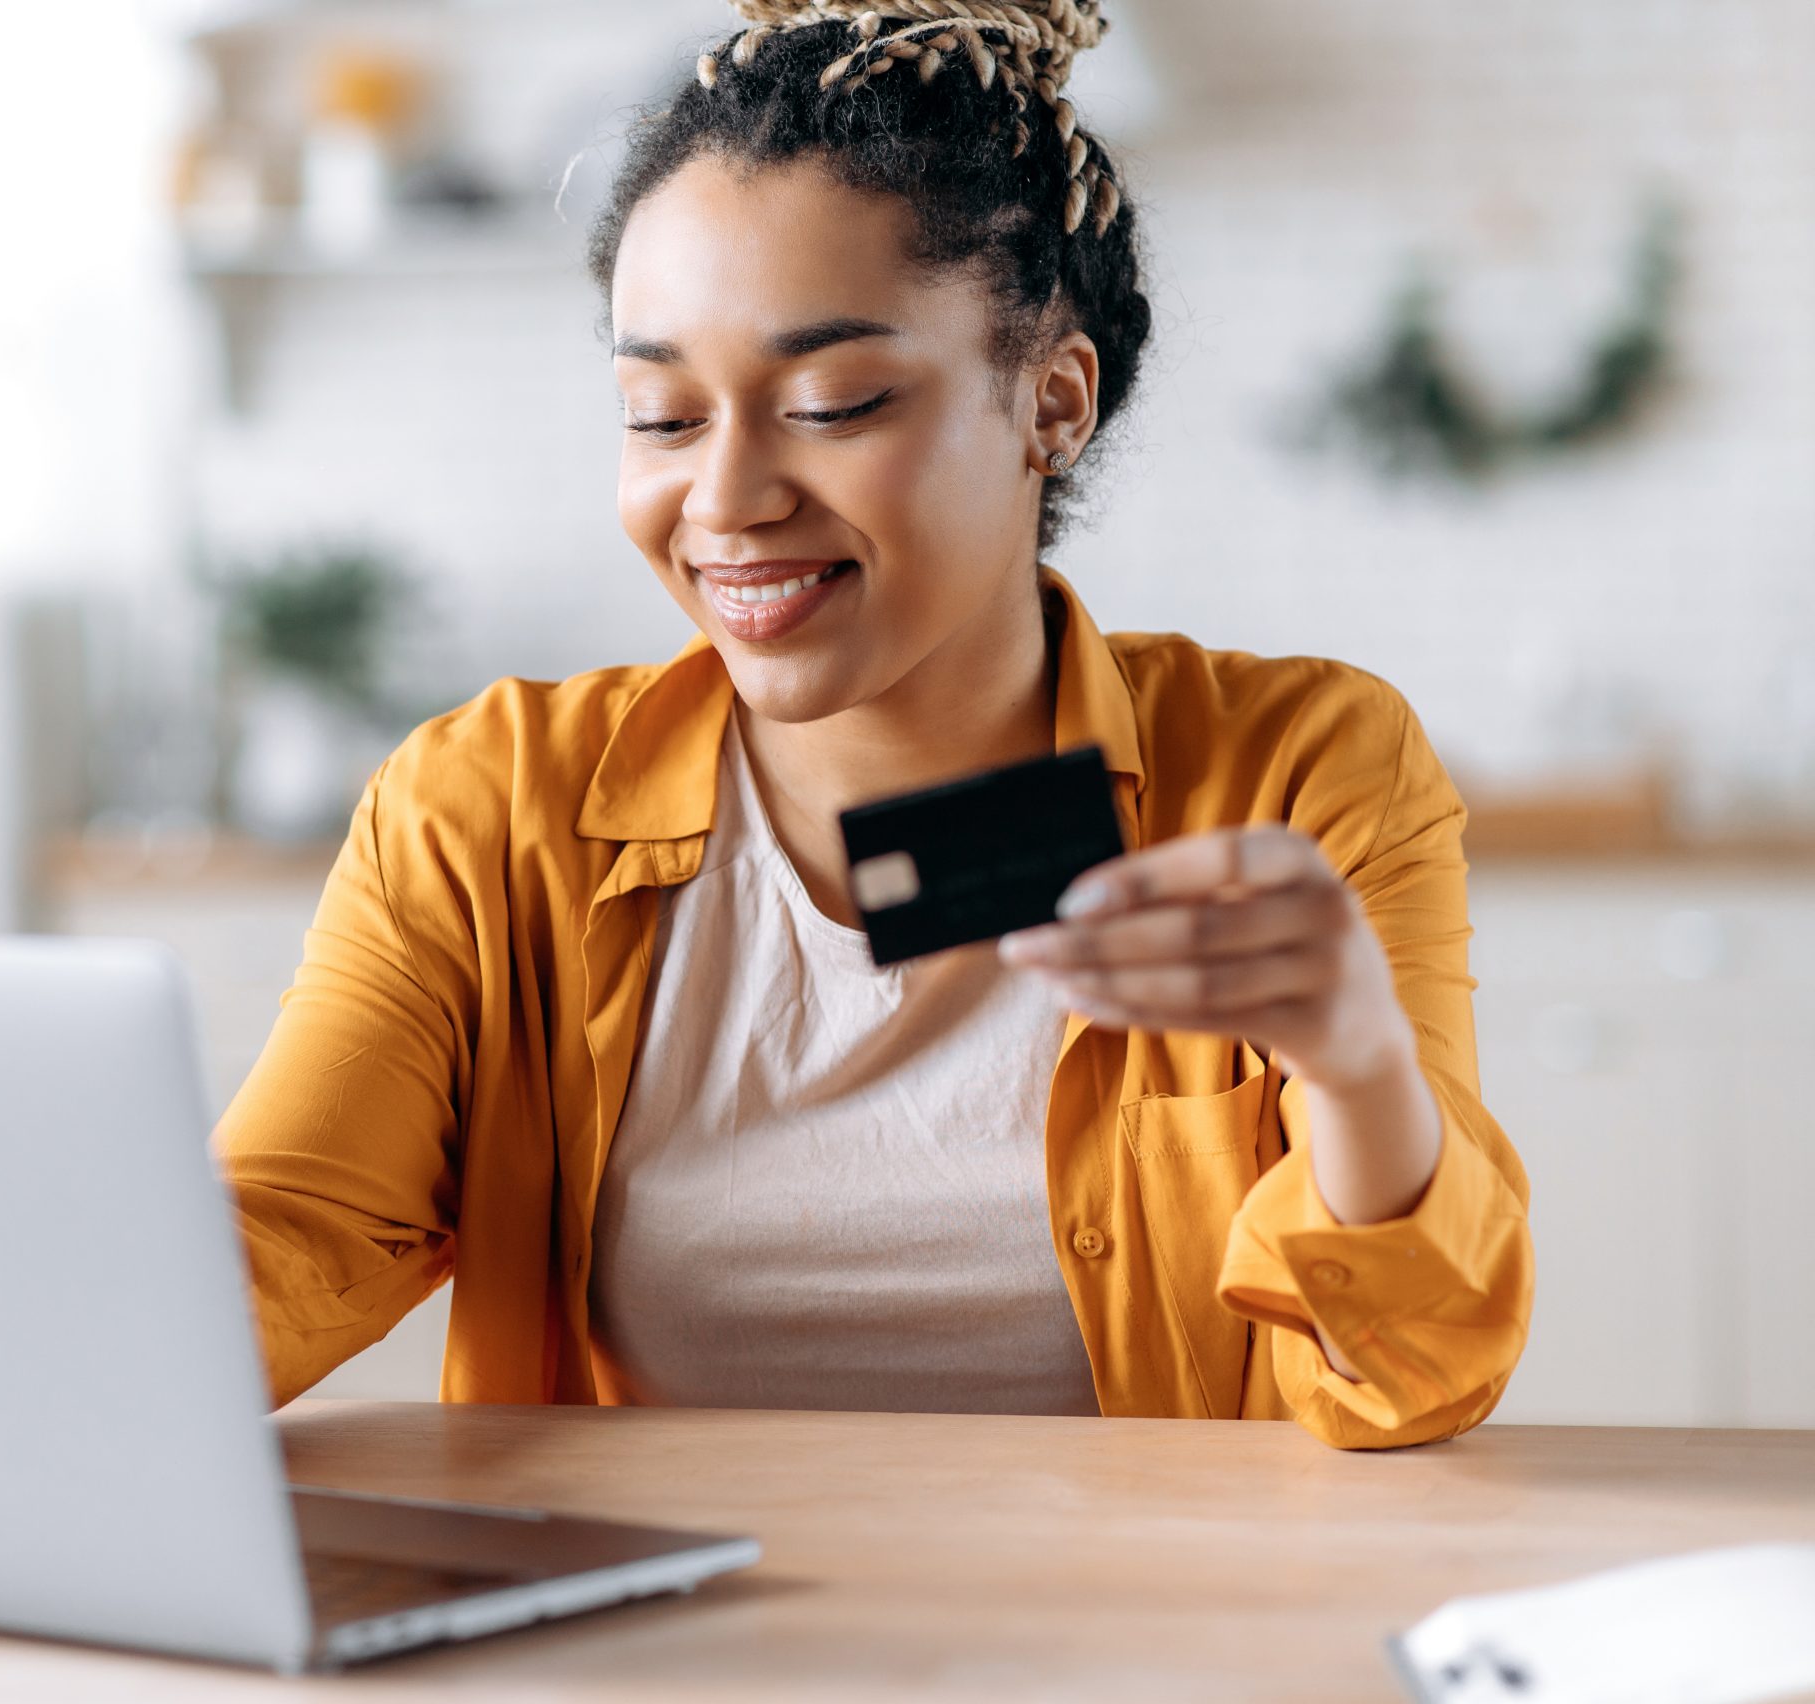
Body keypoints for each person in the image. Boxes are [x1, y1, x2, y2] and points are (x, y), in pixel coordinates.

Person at [213, 0, 1531, 1450]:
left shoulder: (1295, 775)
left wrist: (1356, 1066)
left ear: (1053, 401)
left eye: (833, 403)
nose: (724, 500)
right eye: (660, 416)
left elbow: (1415, 1376)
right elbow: (277, 1237)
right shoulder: (486, 808)